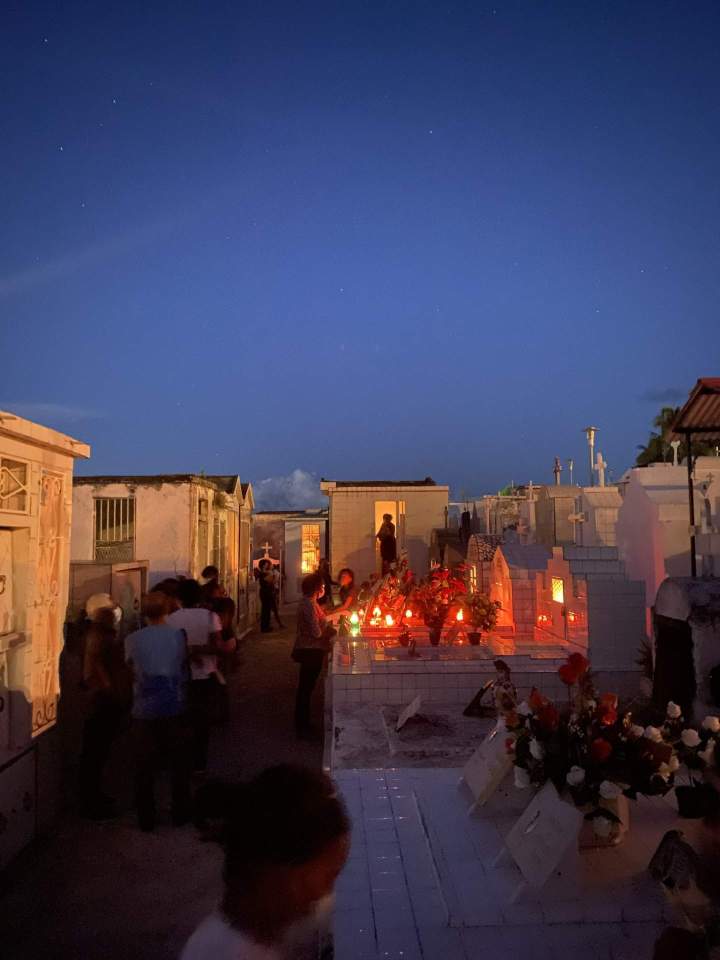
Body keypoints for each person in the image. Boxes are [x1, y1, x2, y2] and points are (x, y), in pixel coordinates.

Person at [181, 765, 350, 960]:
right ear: (288, 875)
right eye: (330, 875)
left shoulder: (265, 916)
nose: (328, 892)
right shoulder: (230, 953)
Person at [124, 591, 192, 831]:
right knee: (178, 764)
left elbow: (129, 668)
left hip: (143, 708)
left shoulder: (133, 639)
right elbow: (182, 665)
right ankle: (180, 813)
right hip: (174, 704)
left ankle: (146, 818)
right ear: (167, 611)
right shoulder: (177, 636)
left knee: (144, 768)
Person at [78, 594, 131, 819]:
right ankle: (92, 802)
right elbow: (97, 672)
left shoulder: (92, 636)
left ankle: (93, 798)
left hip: (100, 702)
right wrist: (112, 692)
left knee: (95, 755)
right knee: (96, 755)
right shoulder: (101, 638)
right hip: (104, 703)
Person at [168, 579, 225, 773]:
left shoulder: (171, 619)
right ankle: (199, 764)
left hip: (180, 676)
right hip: (206, 675)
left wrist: (188, 651)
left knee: (182, 720)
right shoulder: (210, 617)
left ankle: (180, 762)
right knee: (202, 723)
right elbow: (218, 647)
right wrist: (199, 650)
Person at [292, 573, 336, 739]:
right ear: (316, 588)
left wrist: (337, 615)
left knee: (307, 687)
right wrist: (329, 632)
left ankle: (303, 722)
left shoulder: (311, 602)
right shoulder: (308, 605)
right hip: (311, 650)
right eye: (322, 586)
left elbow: (322, 620)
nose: (324, 589)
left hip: (313, 649)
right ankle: (302, 725)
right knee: (306, 688)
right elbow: (316, 632)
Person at [257, 560, 276, 633]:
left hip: (267, 592)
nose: (267, 565)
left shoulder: (266, 573)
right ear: (263, 565)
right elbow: (270, 580)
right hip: (265, 592)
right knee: (265, 610)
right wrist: (271, 575)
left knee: (267, 610)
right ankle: (264, 627)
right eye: (266, 564)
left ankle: (266, 626)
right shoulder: (262, 573)